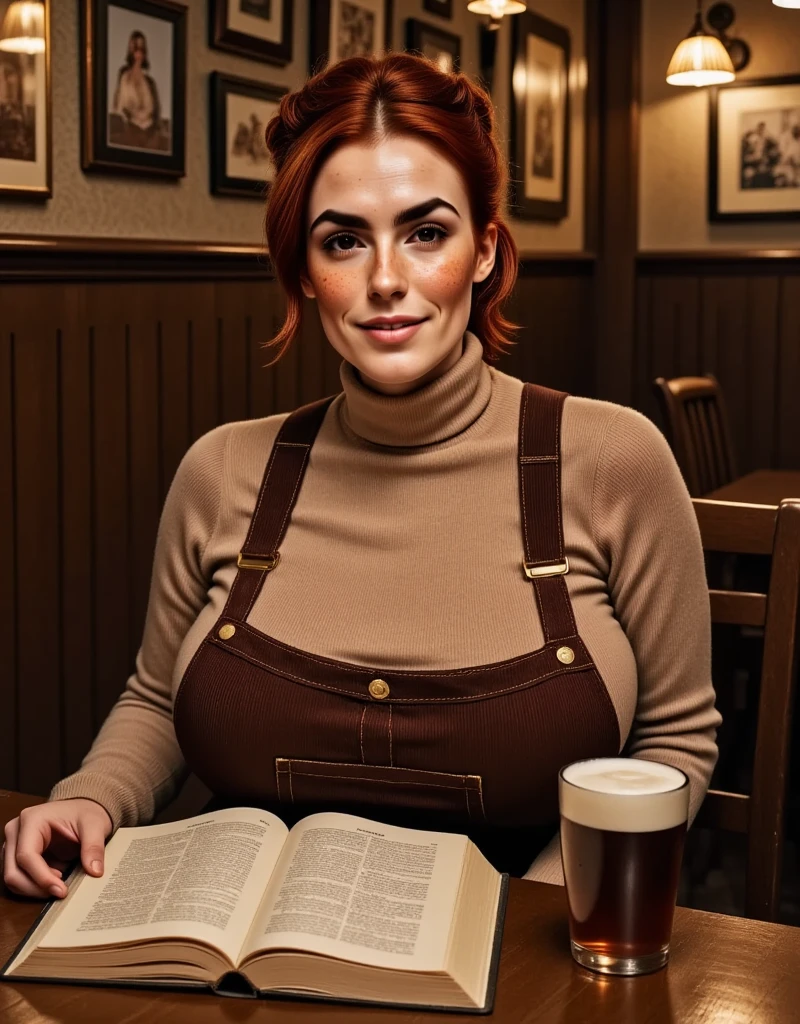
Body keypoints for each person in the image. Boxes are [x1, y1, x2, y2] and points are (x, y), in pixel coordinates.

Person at [3, 53, 720, 899]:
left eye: (426, 233)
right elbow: (157, 700)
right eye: (344, 240)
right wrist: (90, 797)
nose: (386, 280)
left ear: (485, 249)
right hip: (238, 951)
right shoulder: (223, 469)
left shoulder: (613, 459)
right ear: (305, 270)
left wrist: (538, 915)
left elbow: (675, 743)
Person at [110, 30, 162, 150]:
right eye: (135, 47)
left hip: (150, 130)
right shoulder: (124, 75)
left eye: (141, 48)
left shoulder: (149, 82)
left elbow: (154, 109)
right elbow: (121, 104)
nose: (138, 52)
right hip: (131, 127)